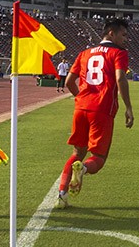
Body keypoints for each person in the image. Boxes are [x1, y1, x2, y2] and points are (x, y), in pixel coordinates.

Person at [56, 18, 134, 208]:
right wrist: (129, 107)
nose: (126, 39)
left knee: (77, 152)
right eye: (123, 35)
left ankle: (61, 195)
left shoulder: (84, 53)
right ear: (111, 33)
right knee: (98, 158)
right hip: (102, 110)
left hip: (81, 108)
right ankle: (83, 169)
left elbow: (68, 82)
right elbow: (120, 78)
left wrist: (81, 99)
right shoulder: (119, 53)